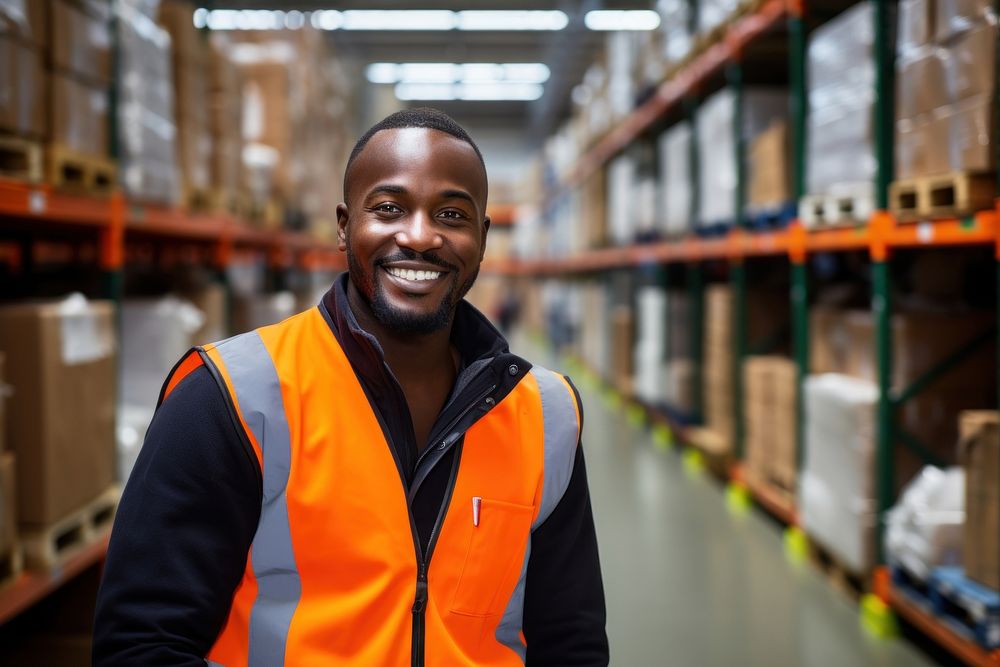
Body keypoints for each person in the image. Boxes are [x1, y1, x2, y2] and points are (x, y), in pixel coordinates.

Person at [93, 108, 609, 666]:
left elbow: (570, 642)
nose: (420, 235)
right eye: (389, 208)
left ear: (481, 239)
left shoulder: (546, 414)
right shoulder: (231, 397)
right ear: (344, 226)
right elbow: (140, 646)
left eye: (452, 214)